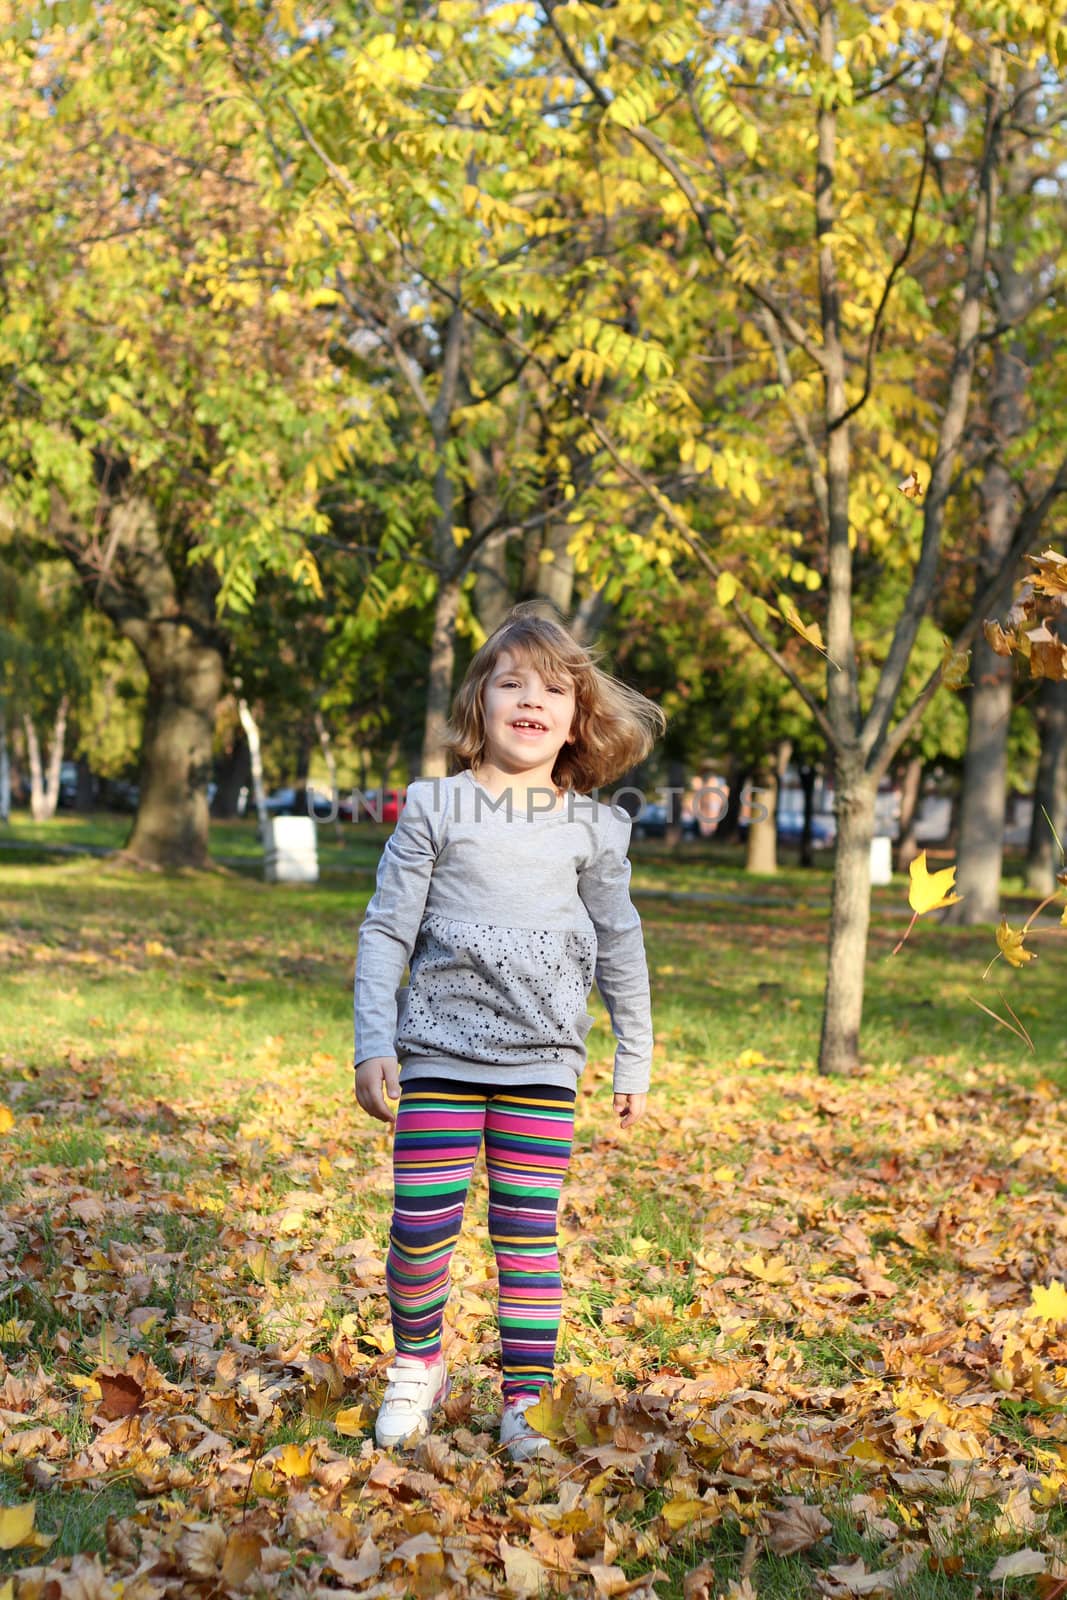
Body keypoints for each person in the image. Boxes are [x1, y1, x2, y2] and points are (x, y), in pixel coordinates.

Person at [353, 602, 665, 1464]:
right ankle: (419, 1365)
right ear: (478, 704)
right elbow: (386, 930)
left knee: (528, 1236)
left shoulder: (594, 828)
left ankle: (525, 1399)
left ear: (576, 719)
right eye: (511, 683)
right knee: (420, 1225)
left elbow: (619, 942)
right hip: (439, 1056)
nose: (532, 700)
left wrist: (632, 1053)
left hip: (542, 1066)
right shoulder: (434, 807)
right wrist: (372, 1040)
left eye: (554, 690)